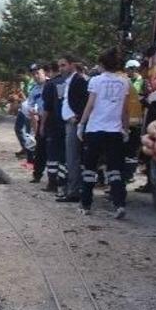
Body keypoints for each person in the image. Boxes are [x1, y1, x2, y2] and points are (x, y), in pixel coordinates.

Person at [77, 48, 129, 219]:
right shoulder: (124, 82)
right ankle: (119, 204)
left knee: (89, 168)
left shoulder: (96, 81)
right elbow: (125, 110)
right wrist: (125, 128)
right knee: (115, 169)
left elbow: (90, 105)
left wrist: (81, 124)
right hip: (114, 131)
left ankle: (86, 204)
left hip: (95, 130)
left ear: (101, 64)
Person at [61, 55, 89, 203]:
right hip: (69, 123)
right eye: (60, 66)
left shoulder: (79, 80)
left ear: (72, 65)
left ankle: (74, 192)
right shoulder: (69, 81)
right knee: (70, 158)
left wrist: (77, 118)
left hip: (74, 124)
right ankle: (71, 189)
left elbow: (86, 102)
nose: (61, 68)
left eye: (63, 65)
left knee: (73, 158)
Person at [42, 58, 70, 197]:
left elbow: (46, 108)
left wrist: (42, 125)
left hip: (52, 124)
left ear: (49, 71)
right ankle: (62, 181)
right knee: (64, 154)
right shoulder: (68, 82)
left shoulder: (50, 85)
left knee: (52, 154)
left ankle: (52, 182)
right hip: (66, 123)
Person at [123, 59, 145, 183]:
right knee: (126, 150)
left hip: (136, 122)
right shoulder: (129, 80)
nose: (127, 72)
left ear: (133, 69)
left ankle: (129, 174)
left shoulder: (141, 81)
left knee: (132, 150)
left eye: (128, 70)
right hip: (128, 120)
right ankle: (127, 174)